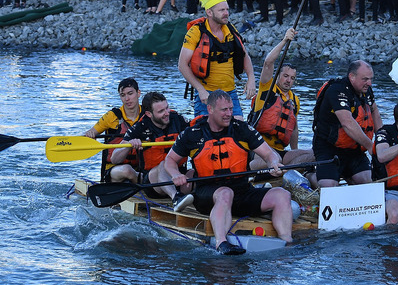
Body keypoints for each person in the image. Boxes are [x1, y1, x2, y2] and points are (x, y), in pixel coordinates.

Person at [164, 90, 291, 255]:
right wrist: (176, 174)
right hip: (208, 193)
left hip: (242, 191)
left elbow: (269, 153)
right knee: (225, 193)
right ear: (210, 109)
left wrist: (274, 162)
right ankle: (221, 243)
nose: (229, 114)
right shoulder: (192, 134)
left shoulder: (242, 129)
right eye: (224, 110)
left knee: (282, 194)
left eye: (231, 109)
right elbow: (170, 161)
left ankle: (287, 243)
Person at [106, 92, 193, 210]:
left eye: (167, 108)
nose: (166, 113)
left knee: (194, 172)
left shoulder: (178, 120)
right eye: (161, 111)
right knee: (164, 164)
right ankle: (176, 198)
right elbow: (114, 158)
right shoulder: (139, 127)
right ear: (148, 114)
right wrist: (129, 145)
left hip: (179, 175)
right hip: (153, 182)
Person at [179, 0, 256, 119]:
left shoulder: (230, 29)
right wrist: (200, 90)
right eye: (221, 10)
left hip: (230, 93)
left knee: (239, 129)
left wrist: (251, 79)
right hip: (207, 94)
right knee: (208, 135)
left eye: (227, 10)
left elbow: (244, 56)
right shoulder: (196, 32)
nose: (226, 13)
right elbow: (182, 65)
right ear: (209, 12)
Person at [250, 28, 315, 172]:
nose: (288, 80)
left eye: (292, 78)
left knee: (313, 154)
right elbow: (268, 62)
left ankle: (289, 170)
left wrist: (295, 152)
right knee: (275, 158)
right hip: (259, 150)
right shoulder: (268, 89)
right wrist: (285, 40)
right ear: (278, 75)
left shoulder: (294, 100)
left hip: (280, 152)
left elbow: (294, 128)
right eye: (285, 76)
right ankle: (274, 169)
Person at [312, 60, 382, 188]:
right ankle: (310, 175)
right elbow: (347, 123)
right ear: (352, 77)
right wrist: (370, 146)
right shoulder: (337, 90)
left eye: (371, 79)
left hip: (354, 149)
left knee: (369, 184)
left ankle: (346, 174)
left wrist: (383, 139)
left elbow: (374, 110)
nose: (369, 83)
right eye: (365, 79)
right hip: (329, 147)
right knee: (329, 186)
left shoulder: (366, 89)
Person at [83, 78, 143, 182]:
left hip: (141, 167)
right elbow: (89, 134)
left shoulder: (147, 115)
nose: (127, 99)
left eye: (130, 93)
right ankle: (142, 180)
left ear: (138, 93)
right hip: (114, 170)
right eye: (123, 95)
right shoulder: (111, 116)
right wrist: (89, 135)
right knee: (126, 170)